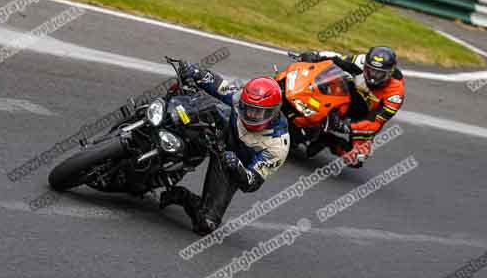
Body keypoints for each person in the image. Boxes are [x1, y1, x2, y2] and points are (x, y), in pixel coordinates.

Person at [159, 63, 290, 235]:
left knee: (206, 224)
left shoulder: (278, 144)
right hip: (218, 130)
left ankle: (182, 196)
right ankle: (154, 121)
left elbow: (252, 182)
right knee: (195, 102)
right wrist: (195, 72)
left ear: (273, 112)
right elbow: (217, 84)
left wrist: (237, 166)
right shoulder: (240, 96)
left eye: (257, 113)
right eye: (247, 108)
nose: (250, 115)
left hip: (231, 162)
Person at [298, 46, 404, 167]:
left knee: (355, 158)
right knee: (331, 74)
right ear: (366, 65)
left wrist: (348, 127)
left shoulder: (395, 94)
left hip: (366, 117)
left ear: (390, 73)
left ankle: (327, 139)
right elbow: (337, 59)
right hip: (348, 95)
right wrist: (315, 56)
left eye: (379, 74)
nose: (373, 77)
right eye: (371, 71)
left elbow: (375, 122)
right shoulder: (361, 60)